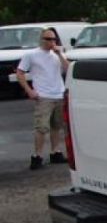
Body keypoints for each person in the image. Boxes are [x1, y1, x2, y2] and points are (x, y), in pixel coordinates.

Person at [15, 28, 70, 170]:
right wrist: (29, 90)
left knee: (56, 125)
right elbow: (20, 72)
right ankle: (37, 155)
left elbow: (68, 69)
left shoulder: (57, 55)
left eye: (54, 39)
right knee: (41, 127)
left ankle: (55, 151)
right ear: (41, 40)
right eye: (48, 39)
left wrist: (59, 54)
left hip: (58, 93)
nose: (52, 42)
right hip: (43, 95)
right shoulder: (32, 55)